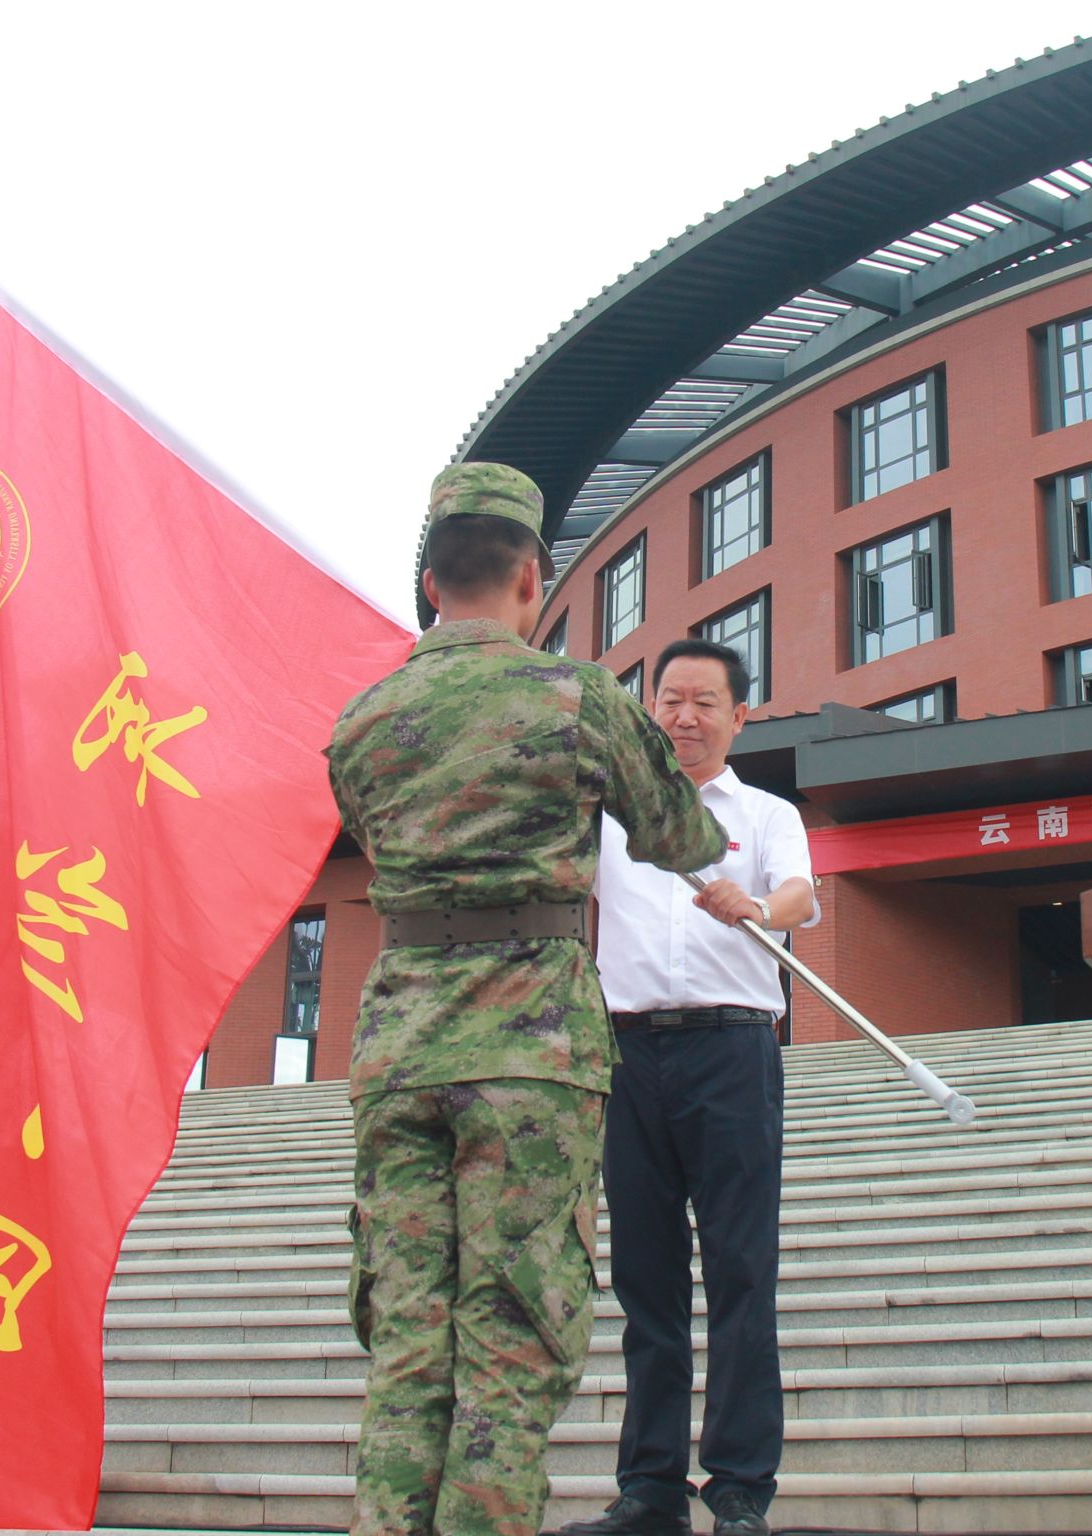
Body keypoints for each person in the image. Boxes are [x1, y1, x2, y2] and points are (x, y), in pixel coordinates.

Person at [327, 464, 729, 1536]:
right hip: (530, 1051)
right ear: (530, 578)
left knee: (406, 1333)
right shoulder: (576, 698)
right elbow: (679, 835)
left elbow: (370, 835)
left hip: (398, 1043)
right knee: (510, 1334)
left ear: (429, 583)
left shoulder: (363, 720)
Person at [562, 638, 819, 1536]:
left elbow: (799, 896)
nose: (684, 717)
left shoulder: (766, 814)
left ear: (739, 716)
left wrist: (758, 907)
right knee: (647, 1277)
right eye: (670, 700)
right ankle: (651, 1489)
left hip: (733, 1051)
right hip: (629, 1055)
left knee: (742, 1269)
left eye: (705, 702)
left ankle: (740, 1486)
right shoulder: (610, 822)